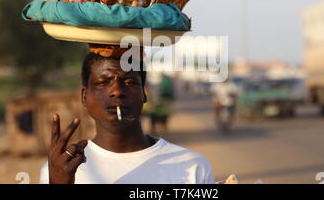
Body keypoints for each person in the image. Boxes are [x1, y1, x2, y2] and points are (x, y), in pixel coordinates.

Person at [39, 47, 214, 184]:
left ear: (144, 94)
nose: (116, 91)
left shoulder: (193, 166)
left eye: (130, 82)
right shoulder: (60, 169)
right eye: (103, 82)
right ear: (84, 96)